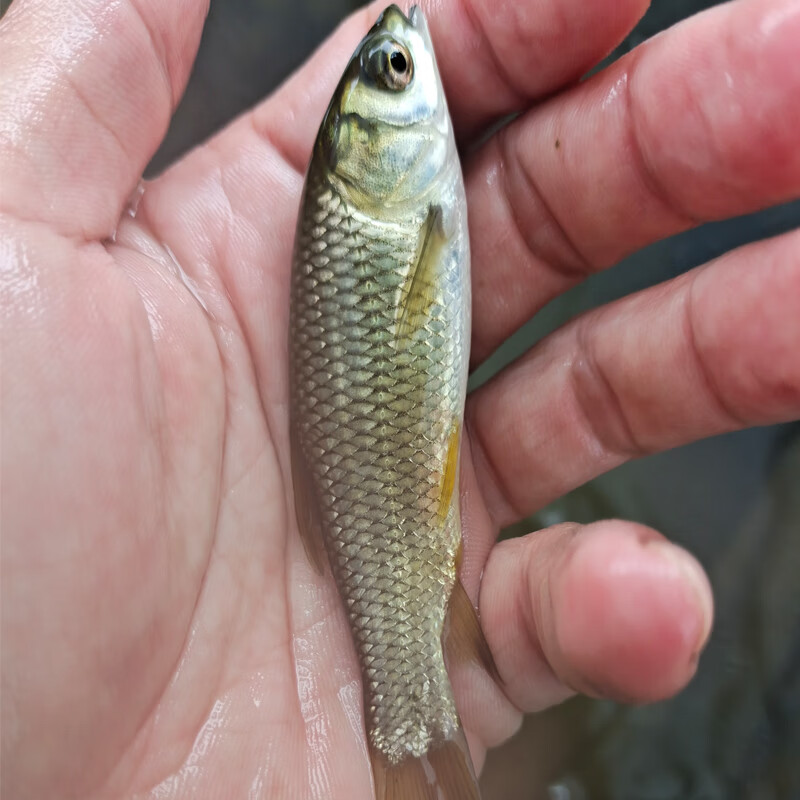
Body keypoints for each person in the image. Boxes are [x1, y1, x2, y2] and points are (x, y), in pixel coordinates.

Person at [1, 0, 798, 796]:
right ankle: (409, 722)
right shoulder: (396, 202)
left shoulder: (389, 202)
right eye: (397, 70)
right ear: (365, 151)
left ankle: (413, 722)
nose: (408, 45)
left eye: (395, 67)